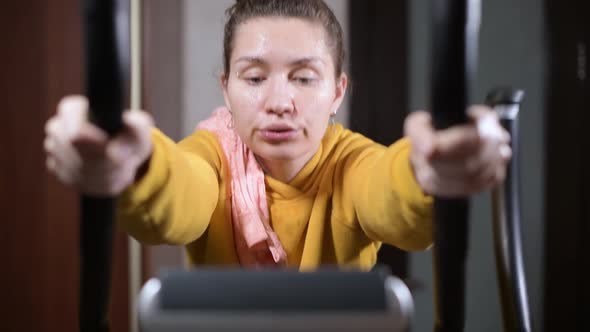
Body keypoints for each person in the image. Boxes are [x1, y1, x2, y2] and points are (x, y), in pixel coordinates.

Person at [44, 0, 510, 270]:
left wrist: (430, 169)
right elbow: (175, 195)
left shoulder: (351, 163)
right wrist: (135, 164)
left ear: (338, 91)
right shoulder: (212, 156)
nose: (279, 101)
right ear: (226, 89)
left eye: (304, 78)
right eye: (254, 77)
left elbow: (391, 189)